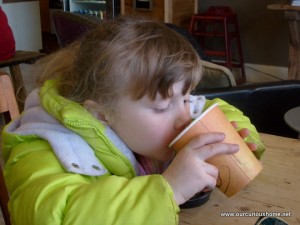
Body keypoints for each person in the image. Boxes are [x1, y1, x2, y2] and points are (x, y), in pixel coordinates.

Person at [2, 17, 264, 225]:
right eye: (163, 107)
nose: (185, 117)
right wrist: (169, 190)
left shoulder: (157, 103)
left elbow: (211, 107)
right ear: (102, 113)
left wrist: (236, 135)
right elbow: (52, 217)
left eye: (185, 97)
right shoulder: (43, 145)